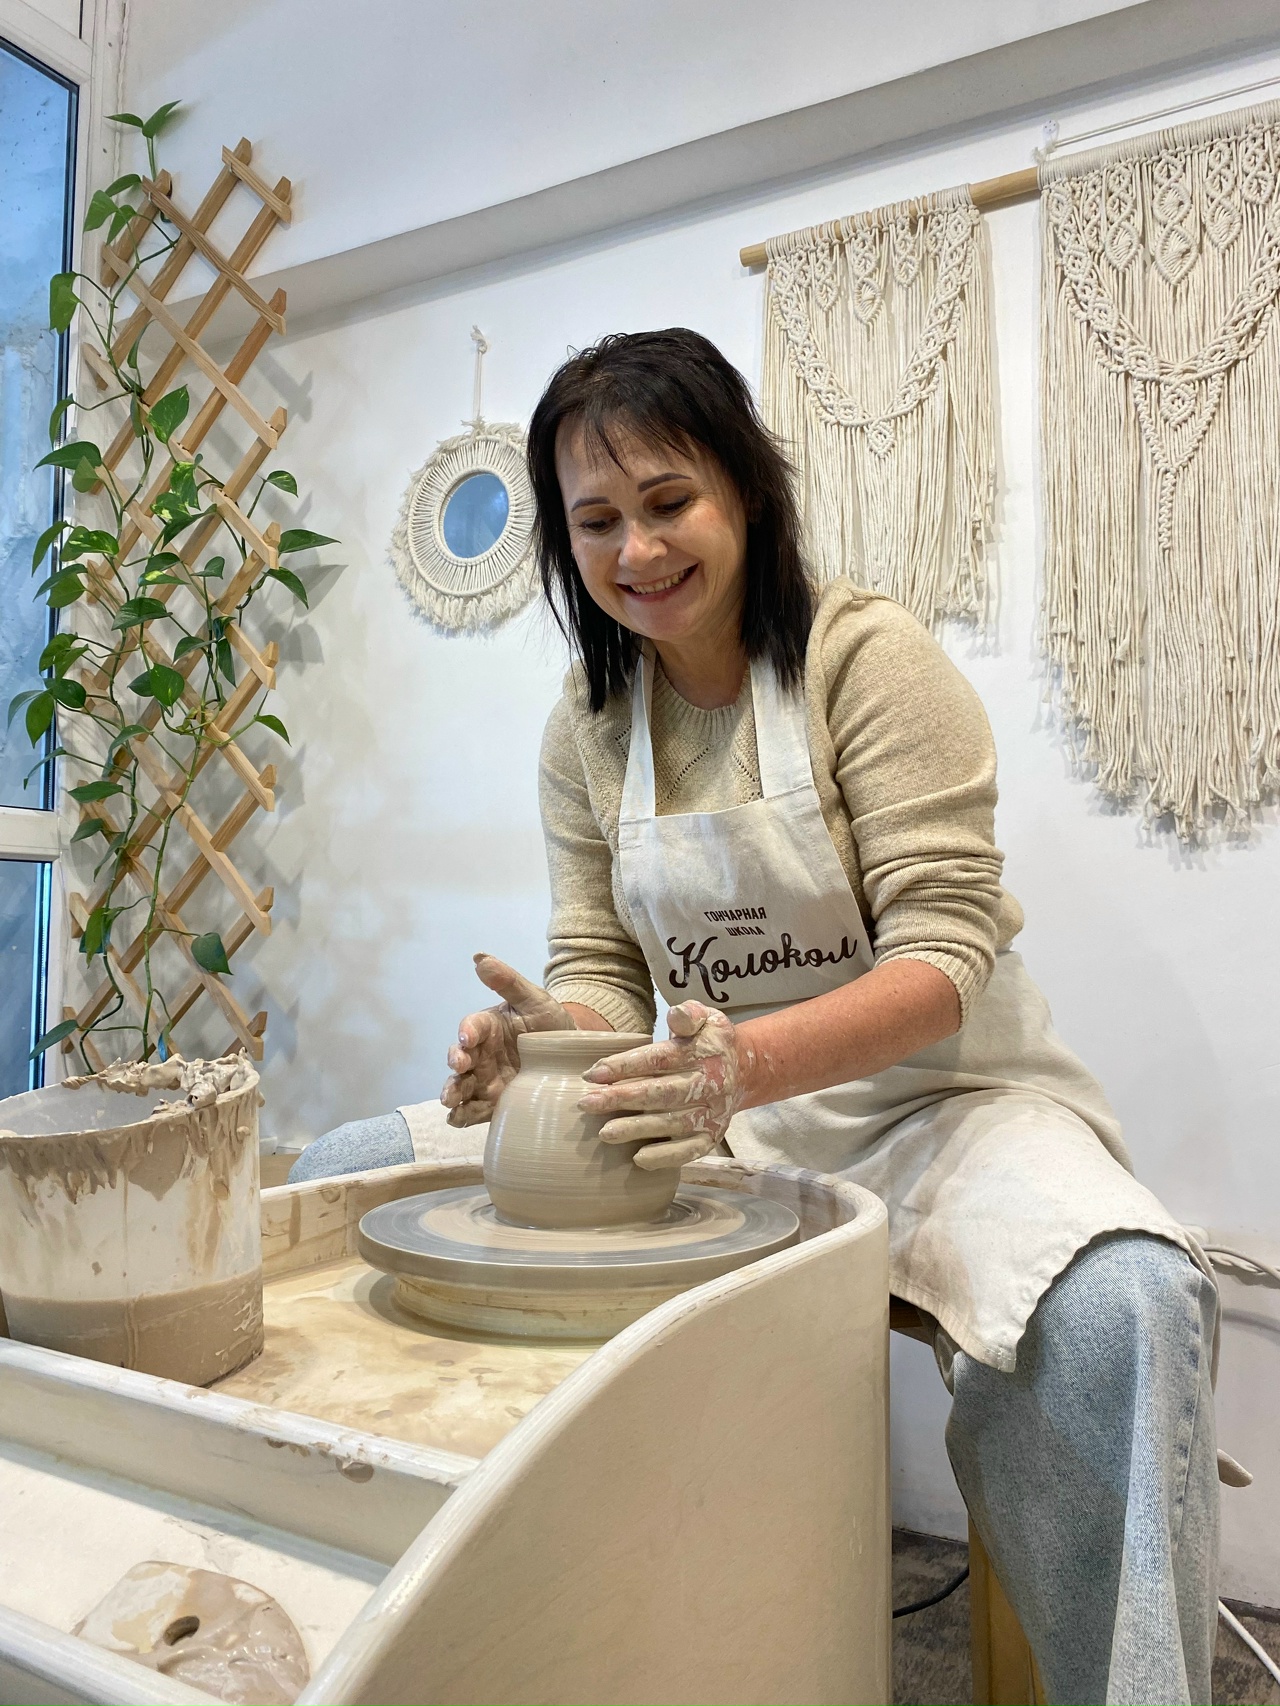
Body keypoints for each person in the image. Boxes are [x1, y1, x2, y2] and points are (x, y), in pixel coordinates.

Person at [294, 328, 1218, 1705]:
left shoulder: (866, 660)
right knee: (343, 1171)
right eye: (595, 520)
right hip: (705, 1115)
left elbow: (944, 952)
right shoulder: (588, 724)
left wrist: (746, 1063)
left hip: (938, 1105)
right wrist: (543, 1037)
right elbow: (601, 965)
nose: (636, 549)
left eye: (668, 501)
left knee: (1122, 1307)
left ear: (745, 490)